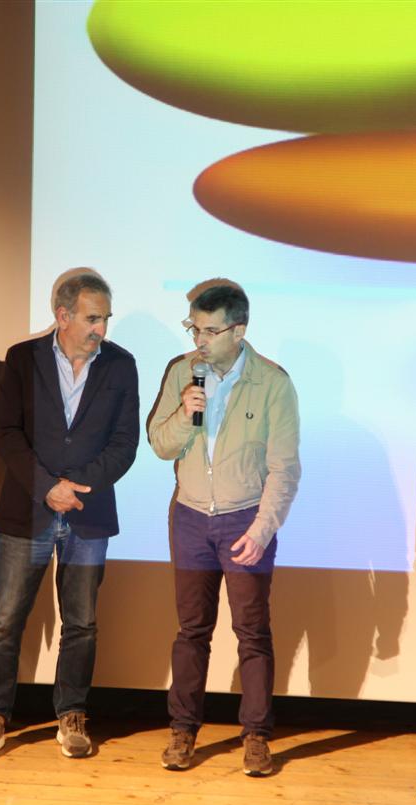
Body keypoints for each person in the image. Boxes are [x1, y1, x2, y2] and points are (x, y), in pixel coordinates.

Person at [0, 272, 139, 762]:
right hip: (28, 510)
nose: (101, 328)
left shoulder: (121, 364)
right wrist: (47, 487)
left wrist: (76, 487)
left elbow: (125, 442)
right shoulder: (23, 359)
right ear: (62, 316)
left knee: (81, 622)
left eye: (105, 318)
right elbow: (7, 433)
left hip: (88, 513)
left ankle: (72, 713)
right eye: (92, 318)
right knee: (4, 621)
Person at [147, 282, 300, 777]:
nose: (200, 340)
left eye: (210, 331)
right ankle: (183, 730)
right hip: (191, 517)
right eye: (194, 328)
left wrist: (262, 529)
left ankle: (256, 736)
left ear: (239, 330)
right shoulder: (181, 372)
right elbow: (160, 445)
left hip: (244, 519)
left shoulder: (272, 382)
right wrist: (185, 413)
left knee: (252, 633)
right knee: (192, 631)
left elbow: (284, 468)